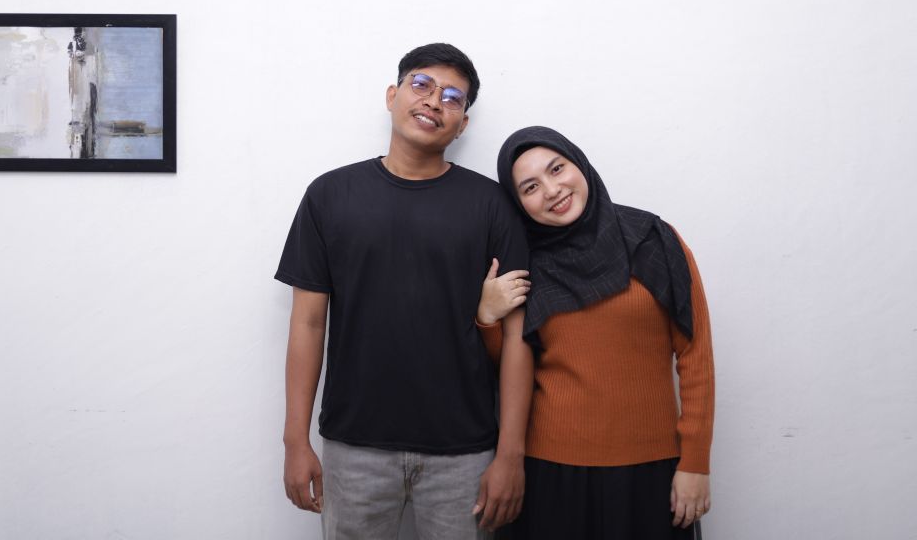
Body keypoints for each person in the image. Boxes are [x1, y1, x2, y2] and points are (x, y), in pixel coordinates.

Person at [276, 43, 535, 540]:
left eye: (453, 97)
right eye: (422, 85)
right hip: (354, 446)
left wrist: (510, 454)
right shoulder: (329, 195)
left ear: (462, 124)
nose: (435, 100)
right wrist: (294, 440)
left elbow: (519, 337)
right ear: (392, 96)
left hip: (465, 450)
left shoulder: (491, 205)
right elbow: (307, 323)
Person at [477, 126, 715, 539]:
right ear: (518, 203)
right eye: (531, 187)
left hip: (650, 470)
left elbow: (696, 355)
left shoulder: (652, 239)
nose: (552, 190)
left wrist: (695, 463)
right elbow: (511, 364)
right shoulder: (526, 260)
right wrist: (487, 317)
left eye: (557, 169)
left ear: (580, 164)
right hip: (550, 473)